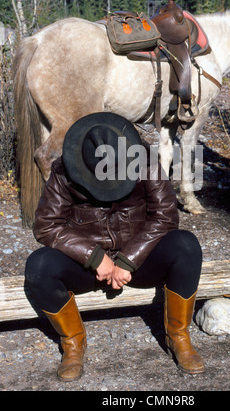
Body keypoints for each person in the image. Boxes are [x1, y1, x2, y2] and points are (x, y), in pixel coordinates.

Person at [25, 112, 204, 382]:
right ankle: (73, 343)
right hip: (88, 268)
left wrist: (127, 260)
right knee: (39, 265)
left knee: (186, 245)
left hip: (140, 262)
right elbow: (46, 225)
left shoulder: (144, 159)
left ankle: (178, 336)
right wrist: (95, 257)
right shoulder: (64, 170)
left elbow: (166, 215)